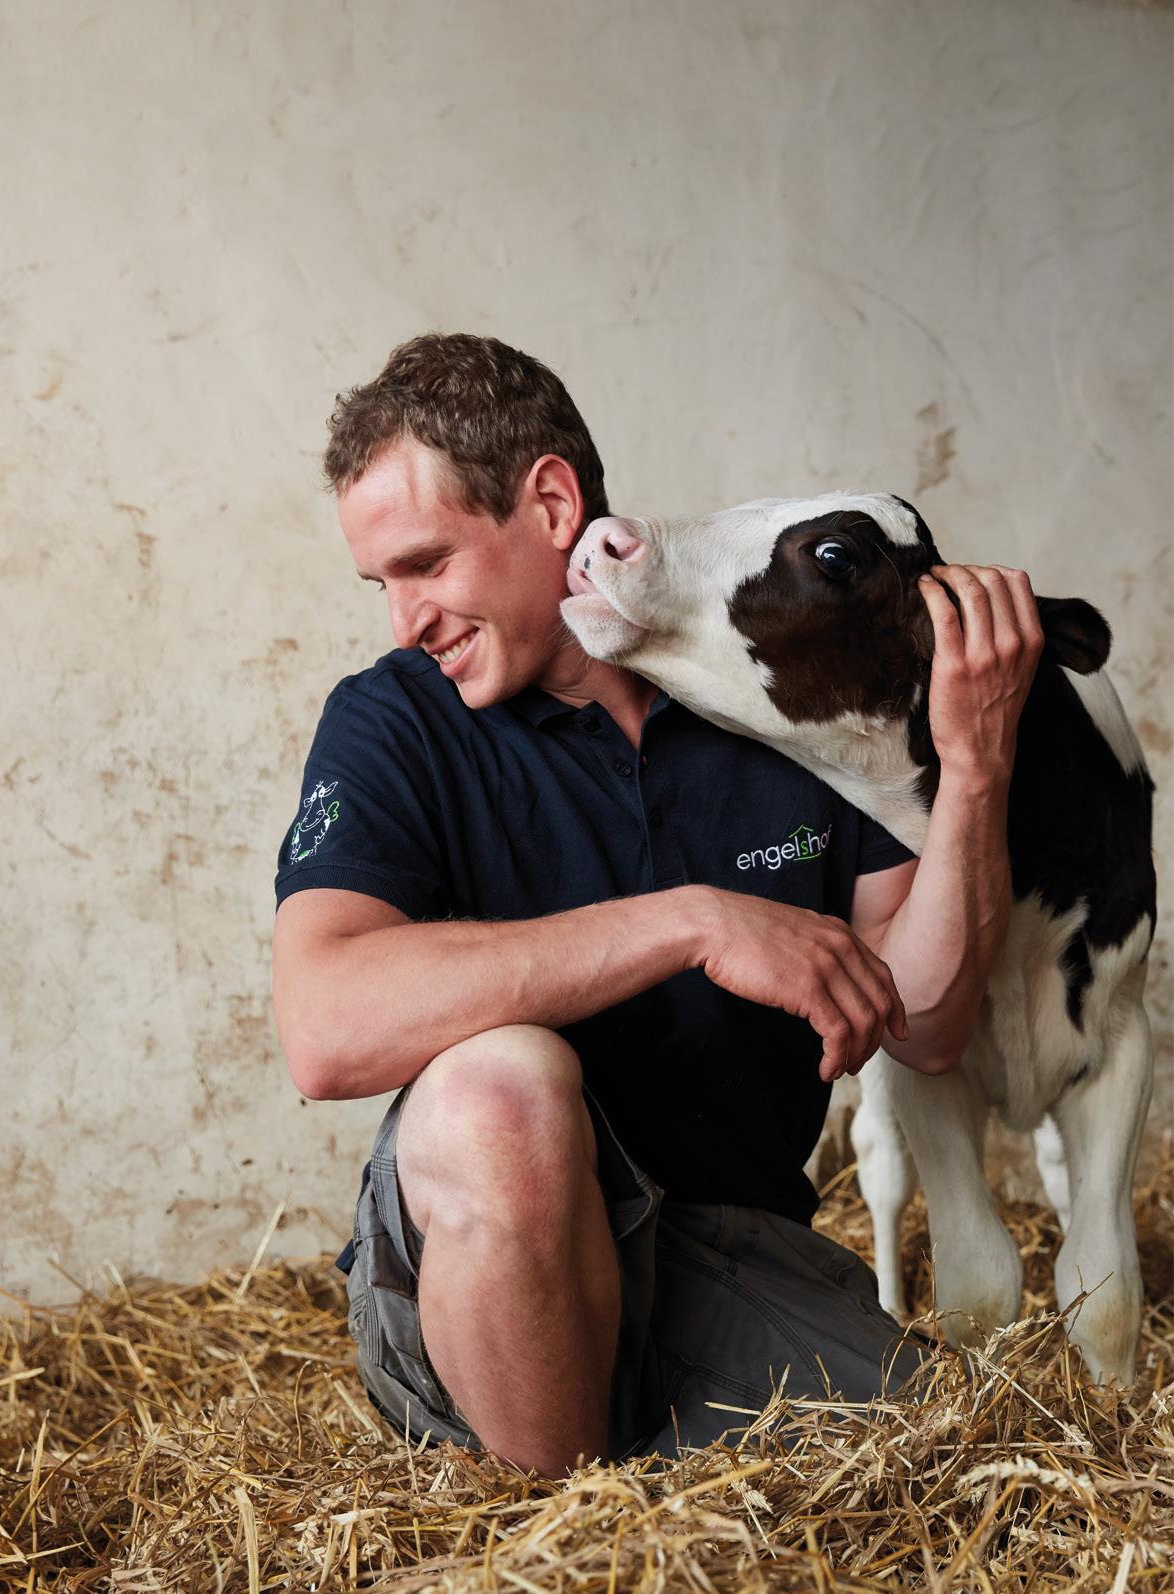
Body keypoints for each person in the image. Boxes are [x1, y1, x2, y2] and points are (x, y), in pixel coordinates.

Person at [271, 333, 1042, 1473]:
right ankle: (560, 1530)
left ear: (549, 505)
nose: (405, 619)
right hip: (477, 1265)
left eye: (425, 564)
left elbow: (924, 1021)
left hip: (724, 1257)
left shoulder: (775, 696)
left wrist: (975, 768)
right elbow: (324, 1027)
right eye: (381, 583)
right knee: (498, 1092)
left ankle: (647, 1459)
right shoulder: (392, 723)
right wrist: (695, 920)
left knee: (955, 1461)